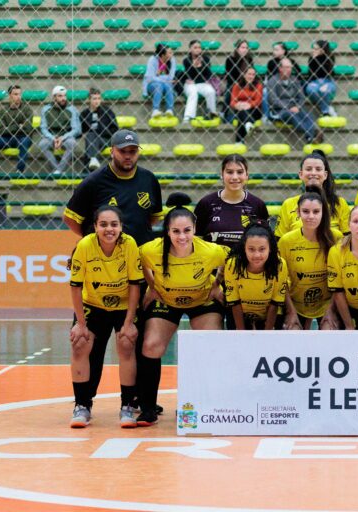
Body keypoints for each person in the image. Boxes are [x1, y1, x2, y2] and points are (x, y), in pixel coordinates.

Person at [136, 193, 228, 425]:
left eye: (187, 230)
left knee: (210, 345)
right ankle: (148, 408)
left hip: (202, 300)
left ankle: (199, 403)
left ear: (195, 229)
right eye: (176, 231)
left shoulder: (210, 251)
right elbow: (141, 263)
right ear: (167, 231)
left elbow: (230, 261)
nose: (182, 236)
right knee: (151, 345)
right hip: (167, 300)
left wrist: (217, 284)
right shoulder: (151, 250)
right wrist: (152, 286)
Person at [68, 205, 143, 428]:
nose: (109, 229)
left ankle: (127, 406)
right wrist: (80, 324)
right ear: (95, 227)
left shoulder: (129, 244)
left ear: (121, 227)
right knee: (80, 343)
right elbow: (75, 287)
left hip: (123, 305)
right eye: (103, 224)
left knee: (126, 343)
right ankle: (82, 405)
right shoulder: (85, 246)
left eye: (114, 224)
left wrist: (128, 323)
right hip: (93, 304)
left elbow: (135, 285)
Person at [64, 129, 163, 245]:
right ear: (112, 152)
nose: (127, 156)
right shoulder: (93, 182)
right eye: (122, 151)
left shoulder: (149, 179)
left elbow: (154, 217)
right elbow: (70, 219)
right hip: (105, 254)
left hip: (141, 251)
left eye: (132, 151)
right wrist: (95, 240)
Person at [278, 186, 341, 330]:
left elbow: (341, 280)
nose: (311, 216)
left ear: (323, 212)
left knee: (329, 334)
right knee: (293, 336)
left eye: (316, 211)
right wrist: (291, 312)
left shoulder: (336, 238)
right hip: (295, 303)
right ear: (298, 212)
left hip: (327, 304)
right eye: (306, 211)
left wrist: (331, 310)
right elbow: (280, 282)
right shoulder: (286, 241)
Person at [194, 153, 269, 248]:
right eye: (229, 172)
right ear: (222, 175)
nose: (235, 177)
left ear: (247, 175)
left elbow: (265, 243)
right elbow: (196, 241)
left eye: (240, 172)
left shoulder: (257, 205)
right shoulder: (206, 204)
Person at [225, 222, 288, 330]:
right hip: (240, 315)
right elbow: (235, 302)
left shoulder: (279, 265)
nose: (257, 255)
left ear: (270, 248)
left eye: (262, 249)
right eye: (251, 249)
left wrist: (266, 333)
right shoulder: (233, 265)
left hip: (268, 315)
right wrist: (241, 333)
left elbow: (275, 303)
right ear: (244, 248)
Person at [275, 150, 350, 238]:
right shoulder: (288, 204)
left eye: (318, 169)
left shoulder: (339, 204)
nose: (313, 173)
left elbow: (348, 239)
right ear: (301, 174)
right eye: (308, 169)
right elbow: (280, 241)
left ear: (325, 175)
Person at [266, 58, 324, 144]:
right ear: (280, 68)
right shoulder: (272, 81)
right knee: (292, 115)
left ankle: (310, 138)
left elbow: (301, 97)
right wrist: (289, 107)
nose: (288, 70)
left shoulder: (294, 80)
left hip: (295, 107)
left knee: (307, 114)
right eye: (286, 67)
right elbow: (273, 100)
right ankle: (313, 134)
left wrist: (297, 106)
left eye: (290, 67)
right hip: (279, 110)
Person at [38, 85, 81, 176]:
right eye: (60, 96)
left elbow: (76, 129)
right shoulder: (45, 109)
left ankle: (58, 171)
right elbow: (43, 128)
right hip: (51, 136)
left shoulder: (72, 109)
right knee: (42, 144)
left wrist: (62, 138)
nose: (63, 98)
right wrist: (53, 138)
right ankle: (58, 170)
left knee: (72, 143)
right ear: (54, 97)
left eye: (64, 96)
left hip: (66, 136)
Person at [0, 85, 33, 176]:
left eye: (20, 94)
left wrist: (9, 127)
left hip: (23, 137)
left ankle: (20, 171)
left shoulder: (27, 110)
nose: (19, 97)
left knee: (24, 142)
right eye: (15, 94)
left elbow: (27, 128)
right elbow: (1, 130)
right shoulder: (3, 111)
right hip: (7, 138)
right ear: (10, 96)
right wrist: (18, 126)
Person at [79, 88, 118, 172]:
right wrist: (83, 134)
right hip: (91, 140)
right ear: (89, 100)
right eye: (94, 99)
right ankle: (93, 162)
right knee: (90, 136)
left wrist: (103, 132)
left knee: (91, 138)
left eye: (99, 98)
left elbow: (115, 128)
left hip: (105, 139)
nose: (97, 101)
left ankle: (89, 167)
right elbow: (81, 130)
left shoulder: (107, 111)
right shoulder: (84, 113)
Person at [182, 40, 219, 123]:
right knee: (193, 93)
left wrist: (203, 64)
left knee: (210, 91)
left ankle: (211, 113)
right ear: (190, 49)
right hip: (190, 85)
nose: (198, 49)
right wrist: (193, 66)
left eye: (199, 48)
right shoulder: (186, 60)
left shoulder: (206, 59)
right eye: (195, 48)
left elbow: (209, 74)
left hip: (202, 83)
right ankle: (188, 117)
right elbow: (187, 76)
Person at [229, 67, 263, 142]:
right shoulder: (237, 86)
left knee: (242, 116)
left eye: (253, 75)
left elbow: (258, 100)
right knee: (242, 113)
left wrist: (249, 105)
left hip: (254, 110)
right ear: (244, 75)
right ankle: (248, 124)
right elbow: (232, 101)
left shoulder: (258, 86)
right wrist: (237, 105)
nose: (251, 76)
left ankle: (239, 142)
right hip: (240, 109)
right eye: (249, 74)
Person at [142, 43, 176, 118]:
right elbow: (150, 78)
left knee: (168, 85)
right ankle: (155, 110)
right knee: (158, 85)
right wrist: (164, 79)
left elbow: (171, 77)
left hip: (166, 84)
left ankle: (169, 109)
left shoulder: (172, 60)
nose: (172, 54)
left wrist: (159, 76)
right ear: (163, 55)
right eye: (169, 53)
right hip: (152, 84)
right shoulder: (152, 60)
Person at [223, 39, 254, 120]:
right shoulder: (230, 59)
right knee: (231, 89)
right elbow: (229, 76)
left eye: (246, 48)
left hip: (247, 83)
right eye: (242, 47)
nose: (245, 50)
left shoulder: (249, 59)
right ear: (237, 49)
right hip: (234, 83)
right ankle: (223, 112)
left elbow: (252, 73)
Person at [306, 40, 337, 117]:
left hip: (328, 81)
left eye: (316, 49)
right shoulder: (312, 58)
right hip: (314, 81)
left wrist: (325, 85)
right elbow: (311, 73)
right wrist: (313, 59)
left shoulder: (330, 57)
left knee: (324, 91)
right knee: (311, 90)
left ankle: (325, 112)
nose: (313, 50)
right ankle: (327, 108)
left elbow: (327, 72)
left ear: (322, 50)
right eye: (313, 48)